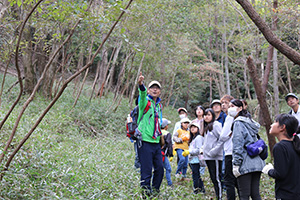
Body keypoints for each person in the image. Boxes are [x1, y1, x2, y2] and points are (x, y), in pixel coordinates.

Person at [230, 99, 265, 200]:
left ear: (240, 108)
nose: (230, 108)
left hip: (245, 163)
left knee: (244, 195)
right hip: (257, 162)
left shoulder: (238, 123)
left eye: (232, 106)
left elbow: (238, 144)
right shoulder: (250, 122)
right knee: (255, 194)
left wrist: (236, 164)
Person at [136, 72, 164, 197]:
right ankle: (145, 195)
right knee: (146, 171)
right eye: (152, 87)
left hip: (156, 142)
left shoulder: (159, 106)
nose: (154, 89)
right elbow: (142, 94)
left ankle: (154, 193)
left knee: (160, 170)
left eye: (157, 88)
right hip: (145, 141)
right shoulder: (144, 102)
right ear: (148, 90)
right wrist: (141, 84)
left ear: (159, 92)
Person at [262, 114, 300, 199]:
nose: (271, 125)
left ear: (282, 127)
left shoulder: (280, 147)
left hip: (285, 195)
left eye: (275, 122)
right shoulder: (296, 145)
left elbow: (280, 174)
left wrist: (269, 170)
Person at [210, 94, 238, 200]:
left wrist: (226, 134)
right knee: (227, 175)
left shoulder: (232, 118)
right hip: (224, 149)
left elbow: (223, 136)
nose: (224, 105)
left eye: (227, 103)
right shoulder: (223, 117)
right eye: (223, 103)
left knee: (230, 178)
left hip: (232, 151)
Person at [202, 108, 223, 200]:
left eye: (208, 115)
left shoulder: (216, 125)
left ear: (213, 116)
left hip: (216, 157)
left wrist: (214, 151)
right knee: (213, 178)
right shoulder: (207, 127)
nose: (206, 117)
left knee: (217, 178)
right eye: (205, 115)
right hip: (208, 157)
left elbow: (222, 139)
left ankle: (220, 197)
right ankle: (217, 195)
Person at [182, 122, 205, 194]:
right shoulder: (193, 138)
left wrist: (189, 152)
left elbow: (198, 150)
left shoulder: (198, 138)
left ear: (198, 129)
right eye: (191, 127)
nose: (192, 128)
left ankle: (196, 190)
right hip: (192, 160)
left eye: (194, 127)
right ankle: (201, 189)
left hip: (196, 160)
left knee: (195, 176)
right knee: (196, 175)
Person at [192, 105, 206, 175]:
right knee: (195, 154)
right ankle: (195, 169)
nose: (199, 111)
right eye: (197, 109)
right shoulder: (194, 121)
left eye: (200, 109)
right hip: (195, 139)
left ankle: (202, 171)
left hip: (203, 138)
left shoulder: (205, 120)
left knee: (202, 154)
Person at [161, 118, 173, 187]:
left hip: (156, 153)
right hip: (163, 154)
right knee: (168, 169)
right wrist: (170, 154)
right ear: (165, 126)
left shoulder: (157, 132)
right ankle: (170, 184)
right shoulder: (167, 134)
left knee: (157, 168)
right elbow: (169, 145)